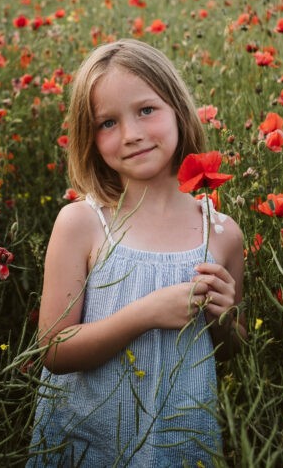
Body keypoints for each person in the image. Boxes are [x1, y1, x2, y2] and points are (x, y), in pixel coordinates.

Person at [28, 39, 245, 467]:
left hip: (178, 442)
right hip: (89, 438)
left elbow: (230, 352)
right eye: (107, 123)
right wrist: (145, 313)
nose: (131, 134)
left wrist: (225, 319)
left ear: (179, 111)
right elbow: (53, 351)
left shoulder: (221, 233)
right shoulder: (82, 224)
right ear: (89, 139)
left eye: (147, 110)